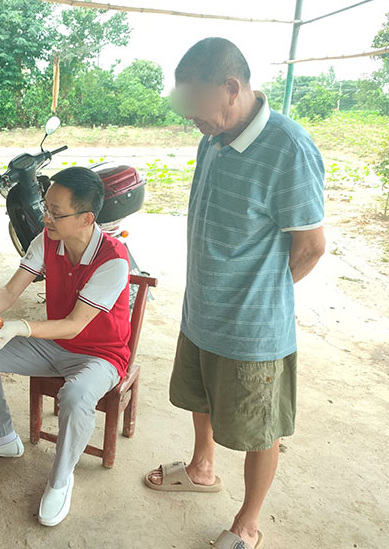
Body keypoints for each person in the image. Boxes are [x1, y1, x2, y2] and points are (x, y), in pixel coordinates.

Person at [143, 38, 326, 549]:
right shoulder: (213, 136)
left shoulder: (288, 147)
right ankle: (201, 468)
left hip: (253, 328)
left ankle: (247, 522)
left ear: (231, 87)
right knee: (198, 395)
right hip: (201, 311)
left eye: (195, 102)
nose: (189, 117)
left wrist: (262, 294)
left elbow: (311, 247)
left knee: (259, 427)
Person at [0, 167, 131, 527]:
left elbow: (75, 324)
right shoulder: (47, 239)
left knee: (76, 395)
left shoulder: (113, 259)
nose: (45, 217)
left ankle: (61, 479)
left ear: (86, 218)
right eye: (45, 207)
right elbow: (10, 291)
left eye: (55, 212)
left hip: (101, 355)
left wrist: (21, 327)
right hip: (54, 345)